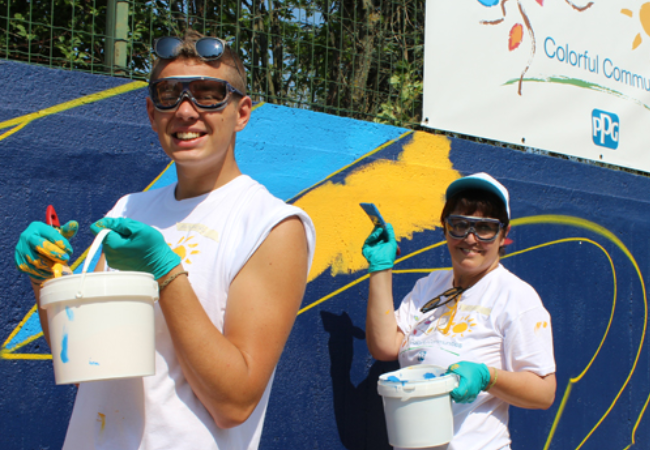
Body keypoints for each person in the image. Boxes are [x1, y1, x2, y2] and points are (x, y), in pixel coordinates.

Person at [15, 31, 315, 450]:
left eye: (209, 94)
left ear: (242, 112)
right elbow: (85, 361)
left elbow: (234, 403)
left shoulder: (272, 225)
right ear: (151, 112)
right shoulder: (127, 209)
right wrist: (45, 281)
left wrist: (166, 273)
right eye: (169, 94)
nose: (187, 110)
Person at [362, 172, 555, 449]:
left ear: (504, 235)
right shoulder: (429, 285)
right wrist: (381, 269)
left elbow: (544, 393)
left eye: (485, 227)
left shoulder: (516, 296)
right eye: (460, 224)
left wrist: (487, 377)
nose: (471, 238)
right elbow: (385, 347)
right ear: (445, 228)